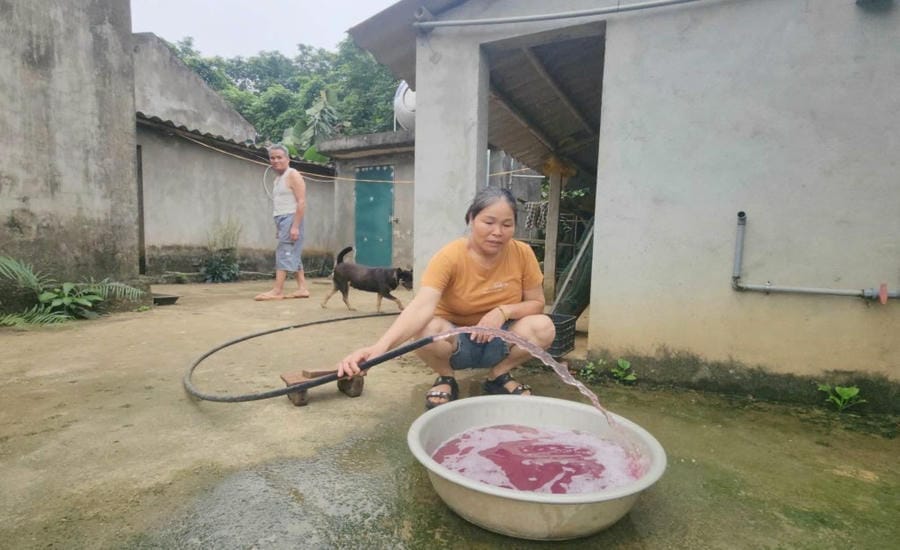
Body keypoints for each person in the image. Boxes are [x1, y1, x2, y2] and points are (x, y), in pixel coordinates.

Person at [337, 187, 556, 408]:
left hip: (500, 339)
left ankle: (498, 375)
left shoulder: (523, 253)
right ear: (471, 219)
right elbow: (421, 307)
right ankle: (446, 377)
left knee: (544, 326)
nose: (497, 232)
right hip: (454, 342)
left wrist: (503, 312)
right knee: (424, 329)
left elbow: (537, 303)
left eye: (507, 225)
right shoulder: (450, 256)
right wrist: (377, 350)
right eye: (489, 222)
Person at [255, 144, 311, 301]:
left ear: (287, 159)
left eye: (279, 157)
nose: (275, 160)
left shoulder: (293, 174)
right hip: (282, 219)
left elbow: (301, 203)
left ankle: (277, 290)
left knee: (284, 252)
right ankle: (302, 288)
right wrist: (279, 227)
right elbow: (280, 204)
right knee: (292, 252)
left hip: (291, 218)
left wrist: (294, 226)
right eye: (272, 158)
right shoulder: (277, 179)